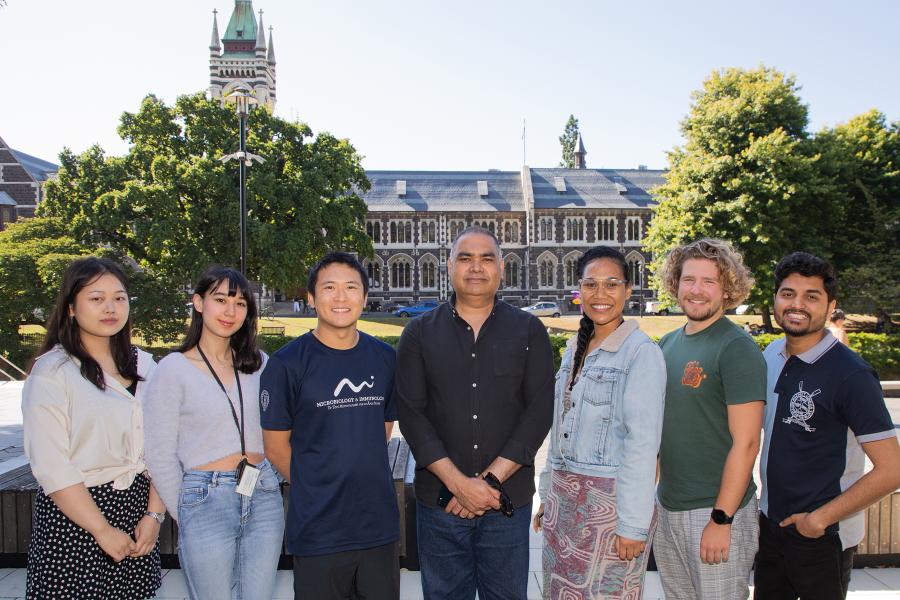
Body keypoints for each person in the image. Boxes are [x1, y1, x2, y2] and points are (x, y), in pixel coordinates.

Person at [395, 226, 554, 600]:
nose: (476, 267)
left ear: (501, 266)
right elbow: (412, 416)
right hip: (440, 505)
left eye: (486, 258)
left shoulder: (529, 330)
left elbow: (539, 412)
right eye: (465, 258)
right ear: (449, 267)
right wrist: (459, 484)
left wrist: (489, 483)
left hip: (506, 504)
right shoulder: (418, 334)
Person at [755, 252, 900, 600]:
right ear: (775, 299)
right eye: (788, 293)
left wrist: (818, 520)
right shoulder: (769, 356)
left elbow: (893, 469)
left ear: (830, 304)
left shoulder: (851, 374)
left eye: (812, 296)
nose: (797, 304)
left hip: (822, 537)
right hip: (771, 530)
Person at [260, 252, 400, 600]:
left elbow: (382, 427)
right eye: (329, 288)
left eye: (351, 287)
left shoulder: (384, 358)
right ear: (311, 297)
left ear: (365, 297)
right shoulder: (286, 365)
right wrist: (318, 485)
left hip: (377, 527)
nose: (341, 297)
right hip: (318, 529)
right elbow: (276, 448)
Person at [22, 257, 162, 599]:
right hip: (77, 517)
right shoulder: (53, 372)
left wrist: (155, 515)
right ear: (71, 307)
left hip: (137, 512)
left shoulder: (145, 364)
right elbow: (52, 466)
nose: (110, 308)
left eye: (119, 297)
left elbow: (164, 445)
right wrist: (101, 529)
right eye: (96, 298)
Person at [143, 266, 284, 600]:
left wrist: (273, 474)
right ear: (198, 303)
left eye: (240, 303)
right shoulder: (172, 370)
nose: (230, 311)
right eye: (220, 300)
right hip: (205, 496)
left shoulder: (259, 363)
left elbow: (280, 427)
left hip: (262, 492)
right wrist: (186, 511)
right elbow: (160, 454)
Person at [534, 247, 666, 598]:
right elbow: (559, 430)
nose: (600, 294)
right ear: (579, 290)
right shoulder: (573, 349)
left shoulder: (641, 354)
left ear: (628, 290)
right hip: (565, 507)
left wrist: (633, 524)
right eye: (590, 284)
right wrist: (548, 494)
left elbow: (643, 445)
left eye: (611, 284)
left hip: (610, 512)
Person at [653, 238, 766, 600]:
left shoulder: (736, 349)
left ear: (728, 288)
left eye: (709, 281)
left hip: (714, 510)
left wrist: (721, 519)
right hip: (668, 507)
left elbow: (747, 443)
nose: (696, 291)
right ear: (676, 283)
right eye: (689, 280)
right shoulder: (666, 345)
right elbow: (657, 435)